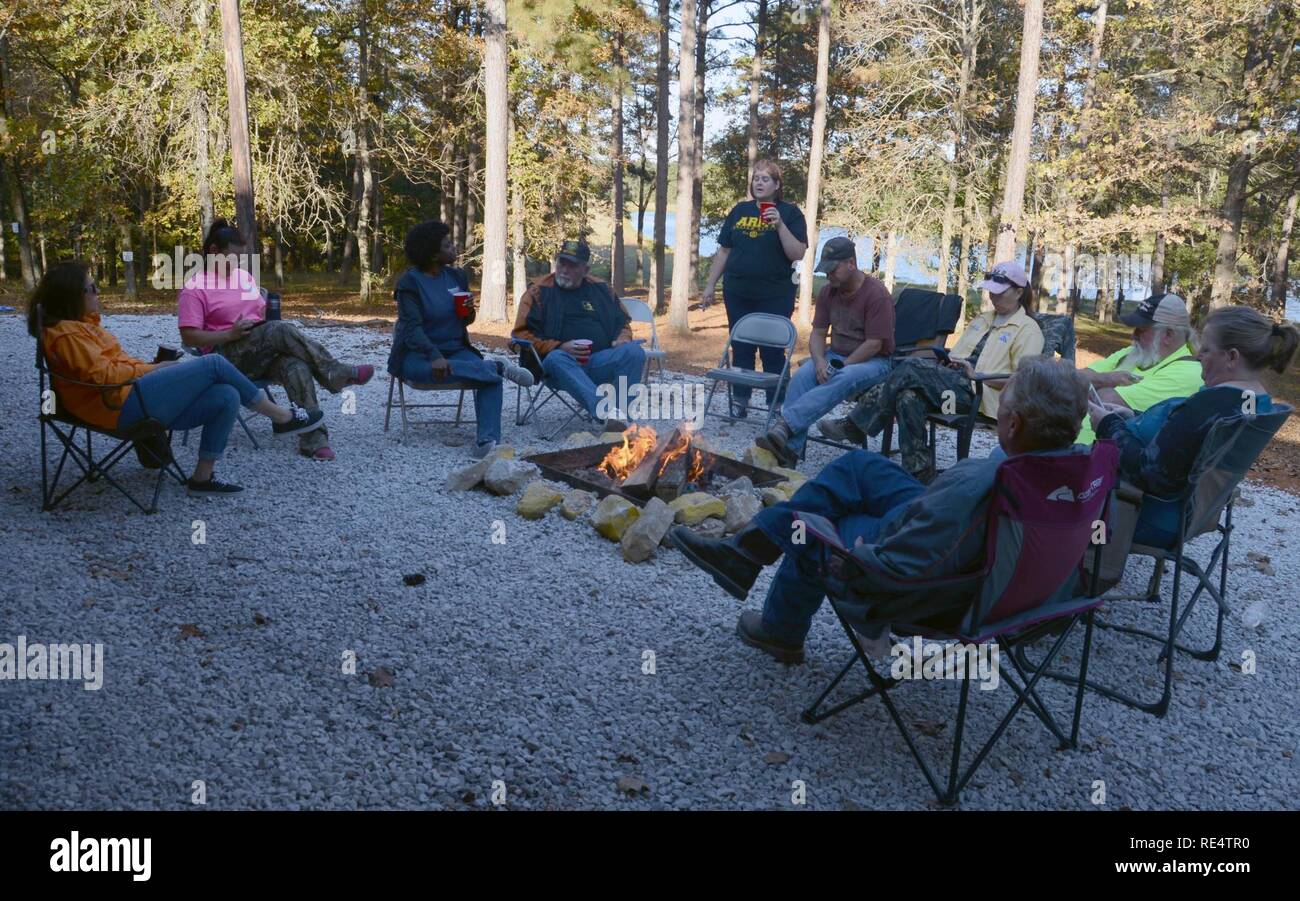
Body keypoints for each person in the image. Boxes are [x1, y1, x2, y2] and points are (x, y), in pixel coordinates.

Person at [669, 357, 1090, 664]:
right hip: (999, 571)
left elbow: (904, 563)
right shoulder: (1075, 473)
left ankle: (778, 624)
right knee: (860, 468)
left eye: (1002, 410)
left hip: (933, 583)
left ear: (1013, 425)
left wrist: (849, 557)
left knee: (817, 520)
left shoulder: (979, 483)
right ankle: (748, 549)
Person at [30, 261, 324, 496]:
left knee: (226, 395)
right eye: (90, 288)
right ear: (72, 297)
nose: (97, 292)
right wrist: (154, 371)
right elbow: (103, 376)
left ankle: (202, 478)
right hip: (115, 407)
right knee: (213, 363)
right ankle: (281, 417)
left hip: (125, 396)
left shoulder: (82, 327)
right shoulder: (67, 334)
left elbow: (113, 367)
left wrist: (152, 367)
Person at [1089, 306, 1297, 548]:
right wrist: (1131, 417)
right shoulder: (1254, 400)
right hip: (1189, 514)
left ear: (1232, 357)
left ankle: (1081, 570)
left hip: (1142, 511)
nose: (1198, 356)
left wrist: (1108, 424)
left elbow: (1151, 475)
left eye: (1206, 350)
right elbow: (1185, 439)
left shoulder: (1208, 406)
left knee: (1053, 499)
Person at [819, 260, 1044, 483]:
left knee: (911, 366)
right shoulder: (983, 319)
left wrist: (975, 374)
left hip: (979, 398)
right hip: (949, 394)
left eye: (1000, 292)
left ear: (1018, 292)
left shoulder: (1028, 330)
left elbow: (1024, 381)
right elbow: (957, 354)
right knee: (908, 397)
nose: (993, 297)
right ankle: (919, 474)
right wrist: (950, 362)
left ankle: (856, 425)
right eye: (991, 292)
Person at [177, 219, 373, 461]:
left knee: (296, 366)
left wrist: (268, 319)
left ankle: (314, 440)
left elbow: (262, 314)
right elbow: (189, 336)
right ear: (214, 252)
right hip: (224, 358)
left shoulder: (244, 278)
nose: (236, 263)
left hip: (258, 350)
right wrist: (230, 334)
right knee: (278, 330)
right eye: (232, 257)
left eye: (240, 258)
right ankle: (334, 372)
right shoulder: (195, 288)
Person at [388, 220, 534, 459]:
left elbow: (465, 322)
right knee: (490, 372)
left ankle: (487, 442)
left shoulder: (456, 276)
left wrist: (468, 312)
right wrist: (435, 356)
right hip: (419, 356)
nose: (454, 248)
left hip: (456, 351)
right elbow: (412, 329)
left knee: (490, 379)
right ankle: (497, 365)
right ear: (433, 255)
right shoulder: (410, 283)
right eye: (447, 245)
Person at [756, 236, 894, 466]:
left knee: (844, 376)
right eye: (826, 270)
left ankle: (785, 426)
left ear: (851, 263)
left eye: (833, 269)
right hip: (835, 355)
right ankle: (788, 453)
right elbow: (818, 333)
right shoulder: (828, 292)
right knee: (801, 378)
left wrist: (844, 364)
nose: (829, 275)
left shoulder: (877, 294)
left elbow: (874, 344)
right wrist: (819, 360)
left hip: (874, 361)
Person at [701, 159, 809, 416]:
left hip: (774, 294)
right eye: (756, 178)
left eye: (765, 179)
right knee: (741, 347)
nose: (758, 183)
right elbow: (725, 251)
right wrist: (709, 287)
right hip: (738, 292)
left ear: (777, 184)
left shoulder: (791, 213)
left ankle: (777, 404)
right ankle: (740, 401)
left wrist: (780, 225)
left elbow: (798, 254)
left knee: (772, 350)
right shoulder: (740, 211)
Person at [511, 239, 646, 431]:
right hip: (559, 368)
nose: (564, 269)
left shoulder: (601, 290)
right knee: (557, 358)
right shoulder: (538, 291)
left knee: (634, 352)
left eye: (572, 265)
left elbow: (622, 322)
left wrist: (623, 338)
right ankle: (606, 413)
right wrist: (558, 346)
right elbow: (521, 334)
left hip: (599, 361)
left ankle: (621, 420)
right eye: (561, 263)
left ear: (585, 269)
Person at [1074, 292, 1203, 444]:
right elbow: (1070, 380)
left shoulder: (1188, 372)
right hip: (1074, 449)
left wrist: (1092, 384)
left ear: (1168, 335)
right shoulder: (1133, 352)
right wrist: (1107, 379)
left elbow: (1105, 401)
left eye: (1141, 330)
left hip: (1104, 461)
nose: (1133, 336)